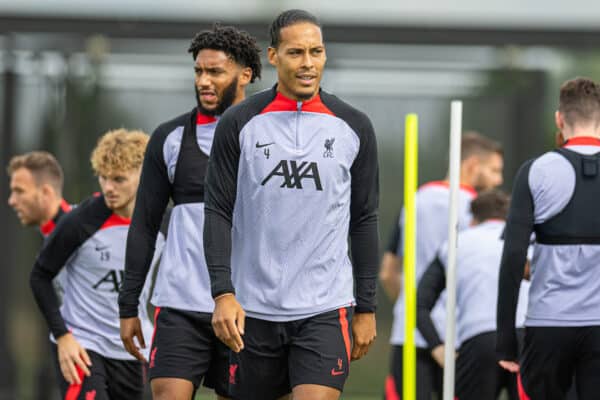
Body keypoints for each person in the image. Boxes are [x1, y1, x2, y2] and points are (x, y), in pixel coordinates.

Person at [203, 9, 379, 400]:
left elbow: (364, 219)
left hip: (324, 307)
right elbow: (216, 209)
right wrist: (222, 293)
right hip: (251, 310)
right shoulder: (238, 122)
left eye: (316, 52)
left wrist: (366, 307)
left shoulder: (354, 126)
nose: (308, 63)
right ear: (273, 56)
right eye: (296, 52)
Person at [118, 24, 261, 400]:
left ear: (245, 75)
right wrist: (129, 304)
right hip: (180, 305)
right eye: (199, 71)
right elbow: (145, 226)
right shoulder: (168, 138)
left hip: (248, 308)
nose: (204, 81)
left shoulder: (267, 136)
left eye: (215, 71)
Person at [30, 129, 162, 400]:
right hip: (83, 347)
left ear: (143, 176)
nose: (108, 188)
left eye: (118, 179)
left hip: (132, 348)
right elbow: (40, 275)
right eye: (103, 178)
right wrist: (63, 337)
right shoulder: (80, 221)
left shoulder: (163, 222)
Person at [497, 77, 600, 400]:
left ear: (560, 119)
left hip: (547, 325)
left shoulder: (536, 170)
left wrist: (506, 341)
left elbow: (513, 258)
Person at [380, 132, 504, 400]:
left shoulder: (416, 199)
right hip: (460, 335)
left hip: (411, 332)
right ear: (472, 166)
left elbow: (388, 271)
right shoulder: (479, 211)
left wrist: (406, 307)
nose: (498, 180)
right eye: (494, 170)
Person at [417, 190, 530, 400]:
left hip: (478, 341)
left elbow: (419, 304)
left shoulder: (455, 244)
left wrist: (437, 346)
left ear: (473, 219)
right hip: (527, 339)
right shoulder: (527, 240)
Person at [7, 151, 72, 400]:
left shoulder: (81, 231)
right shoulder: (51, 235)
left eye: (19, 191)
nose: (12, 201)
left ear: (45, 192)